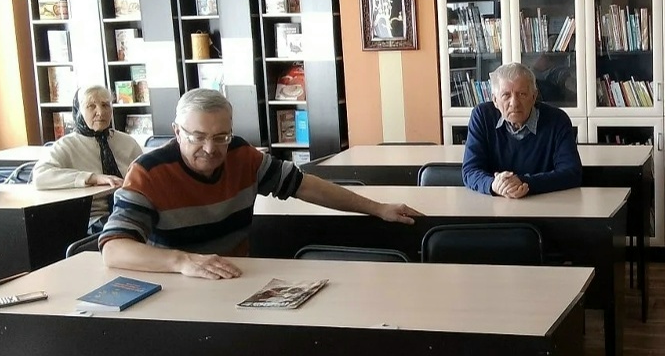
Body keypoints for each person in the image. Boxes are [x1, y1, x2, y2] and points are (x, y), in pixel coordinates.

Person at [99, 88, 423, 279]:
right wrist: (183, 261)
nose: (210, 149)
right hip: (176, 284)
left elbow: (305, 185)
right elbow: (113, 249)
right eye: (197, 137)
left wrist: (377, 208)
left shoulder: (242, 155)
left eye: (221, 137)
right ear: (177, 131)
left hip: (237, 276)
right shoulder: (149, 172)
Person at [33, 85, 144, 233]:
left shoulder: (127, 142)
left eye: (105, 105)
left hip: (133, 211)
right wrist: (92, 178)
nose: (100, 112)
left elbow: (147, 175)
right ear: (79, 111)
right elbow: (40, 176)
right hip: (95, 219)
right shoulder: (66, 145)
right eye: (91, 106)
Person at [462, 62, 582, 198]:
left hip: (545, 204)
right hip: (495, 205)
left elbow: (572, 173)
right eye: (506, 95)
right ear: (495, 100)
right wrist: (493, 185)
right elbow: (470, 170)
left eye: (522, 94)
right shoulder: (482, 116)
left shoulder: (557, 120)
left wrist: (524, 183)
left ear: (534, 97)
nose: (514, 103)